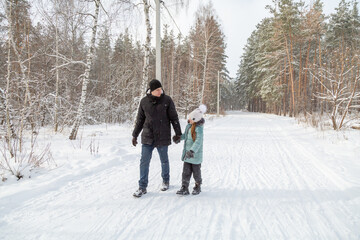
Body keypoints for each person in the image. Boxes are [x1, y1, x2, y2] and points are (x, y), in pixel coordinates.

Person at [132, 79, 182, 198]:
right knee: (144, 162)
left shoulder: (167, 100)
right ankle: (142, 187)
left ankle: (166, 181)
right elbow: (140, 120)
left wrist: (178, 133)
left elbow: (174, 118)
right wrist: (135, 135)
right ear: (151, 91)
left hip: (162, 135)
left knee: (164, 160)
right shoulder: (144, 102)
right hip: (148, 136)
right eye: (157, 90)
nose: (160, 91)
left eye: (160, 89)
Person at [175, 104, 206, 195]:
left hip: (194, 154)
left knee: (196, 172)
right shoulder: (189, 126)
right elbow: (185, 135)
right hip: (187, 154)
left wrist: (192, 151)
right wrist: (179, 138)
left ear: (195, 120)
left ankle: (197, 186)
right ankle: (184, 187)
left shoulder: (199, 129)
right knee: (186, 172)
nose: (188, 120)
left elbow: (198, 141)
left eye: (190, 118)